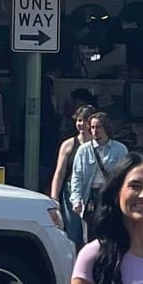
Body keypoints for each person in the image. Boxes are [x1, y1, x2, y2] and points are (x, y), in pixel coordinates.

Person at [68, 109, 131, 236]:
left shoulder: (120, 149)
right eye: (92, 127)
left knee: (111, 230)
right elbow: (77, 176)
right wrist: (76, 199)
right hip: (91, 195)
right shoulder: (84, 150)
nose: (95, 131)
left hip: (110, 194)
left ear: (106, 128)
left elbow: (125, 176)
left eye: (99, 127)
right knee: (91, 231)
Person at [50, 104, 94, 243]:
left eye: (85, 121)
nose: (81, 124)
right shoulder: (69, 144)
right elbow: (60, 172)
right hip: (72, 191)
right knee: (72, 233)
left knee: (92, 233)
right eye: (78, 120)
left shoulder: (99, 144)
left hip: (93, 191)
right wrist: (54, 198)